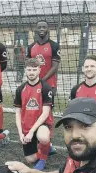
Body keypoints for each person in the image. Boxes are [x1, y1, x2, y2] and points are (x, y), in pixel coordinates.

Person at [27, 20, 61, 156]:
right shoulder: (30, 47)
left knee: (48, 114)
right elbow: (28, 65)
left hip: (49, 86)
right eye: (39, 27)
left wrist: (42, 81)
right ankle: (36, 139)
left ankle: (48, 143)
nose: (42, 29)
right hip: (33, 85)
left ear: (48, 30)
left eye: (44, 27)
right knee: (34, 110)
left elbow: (55, 67)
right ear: (36, 29)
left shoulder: (54, 45)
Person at [14, 58, 53, 170]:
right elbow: (18, 113)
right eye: (29, 70)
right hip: (27, 125)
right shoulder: (20, 89)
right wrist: (21, 133)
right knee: (30, 159)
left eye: (34, 69)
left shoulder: (45, 87)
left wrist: (31, 132)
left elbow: (45, 113)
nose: (31, 72)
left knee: (43, 137)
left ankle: (43, 159)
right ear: (25, 71)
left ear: (39, 70)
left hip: (42, 123)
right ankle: (47, 149)